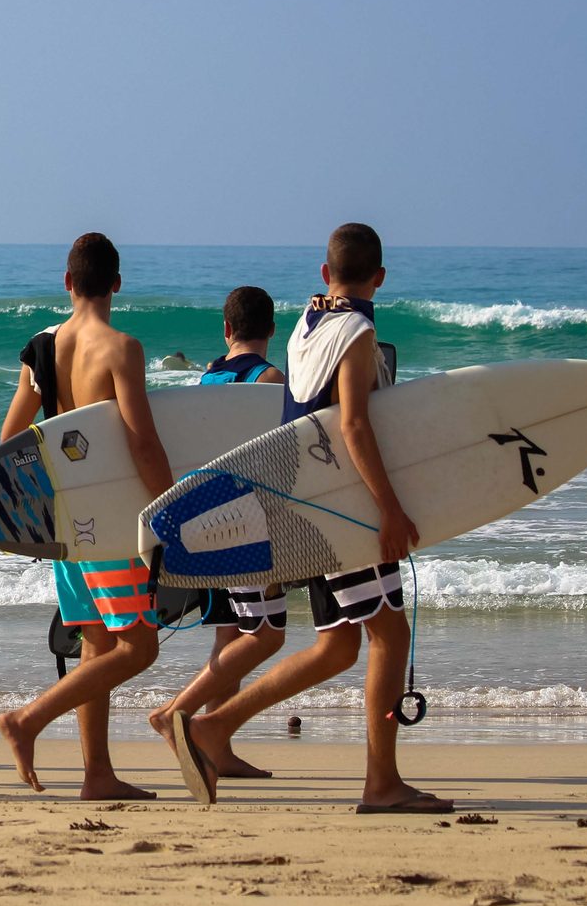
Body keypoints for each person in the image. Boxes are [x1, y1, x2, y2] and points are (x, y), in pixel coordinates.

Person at [173, 224, 454, 814]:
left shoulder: (308, 324)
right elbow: (351, 424)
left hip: (307, 499)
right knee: (389, 633)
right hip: (345, 509)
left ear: (325, 275)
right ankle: (381, 784)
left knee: (337, 646)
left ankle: (213, 727)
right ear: (380, 276)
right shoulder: (356, 332)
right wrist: (390, 509)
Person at [0, 233, 173, 798]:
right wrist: (173, 506)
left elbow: (9, 439)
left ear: (68, 282)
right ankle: (26, 720)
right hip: (112, 521)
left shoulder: (40, 351)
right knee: (139, 647)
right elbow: (143, 443)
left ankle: (97, 774)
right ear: (117, 284)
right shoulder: (121, 349)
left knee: (97, 643)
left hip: (64, 520)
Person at [148, 286, 288, 779]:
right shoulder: (270, 380)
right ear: (272, 331)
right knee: (265, 634)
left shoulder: (206, 381)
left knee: (232, 634)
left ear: (226, 331)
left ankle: (218, 747)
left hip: (207, 521)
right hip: (250, 526)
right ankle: (178, 715)